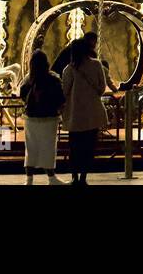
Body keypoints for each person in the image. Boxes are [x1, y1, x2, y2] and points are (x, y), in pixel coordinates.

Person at [62, 33, 109, 185]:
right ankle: (83, 177)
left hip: (75, 115)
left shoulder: (69, 69)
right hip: (92, 115)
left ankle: (74, 177)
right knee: (89, 147)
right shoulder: (97, 65)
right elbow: (101, 89)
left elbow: (64, 92)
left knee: (74, 148)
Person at [20, 50, 67, 185]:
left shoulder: (28, 79)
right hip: (49, 118)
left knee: (31, 148)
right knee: (49, 147)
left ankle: (29, 179)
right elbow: (60, 98)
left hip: (31, 118)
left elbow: (22, 95)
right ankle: (51, 178)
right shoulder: (53, 79)